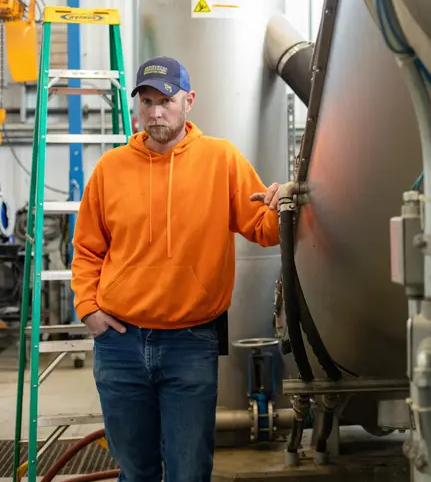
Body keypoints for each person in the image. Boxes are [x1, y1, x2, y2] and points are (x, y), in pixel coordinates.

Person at [71, 56, 284, 482]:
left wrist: (285, 203)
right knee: (135, 472)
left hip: (190, 343)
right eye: (146, 101)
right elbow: (87, 250)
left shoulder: (221, 160)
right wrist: (88, 308)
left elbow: (263, 229)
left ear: (188, 100)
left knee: (189, 471)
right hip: (120, 345)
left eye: (165, 100)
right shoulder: (110, 169)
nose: (155, 112)